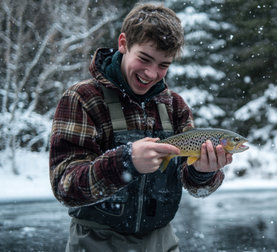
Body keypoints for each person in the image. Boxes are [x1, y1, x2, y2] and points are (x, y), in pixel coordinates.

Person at [49, 3, 232, 251]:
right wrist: (125, 162)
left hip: (162, 241)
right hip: (96, 242)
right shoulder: (82, 99)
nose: (151, 73)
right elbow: (66, 187)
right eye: (144, 59)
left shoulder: (175, 107)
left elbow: (194, 186)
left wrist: (203, 172)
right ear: (123, 43)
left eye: (163, 65)